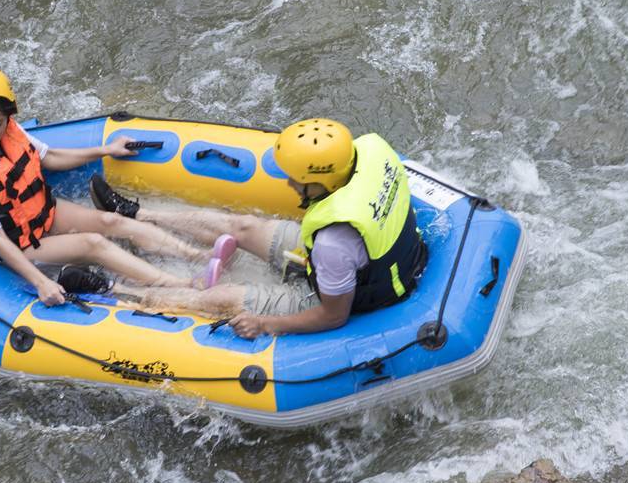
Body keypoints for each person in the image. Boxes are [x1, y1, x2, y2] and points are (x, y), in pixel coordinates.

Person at [0, 68, 235, 307]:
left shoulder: (10, 133)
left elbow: (51, 157)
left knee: (111, 220)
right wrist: (41, 282)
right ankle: (182, 284)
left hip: (41, 215)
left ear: (7, 117)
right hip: (18, 245)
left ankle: (197, 256)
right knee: (93, 244)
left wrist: (106, 150)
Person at [88, 117, 427, 338]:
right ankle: (136, 214)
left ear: (321, 182)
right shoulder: (361, 161)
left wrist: (265, 324)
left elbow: (333, 316)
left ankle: (112, 292)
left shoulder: (333, 243)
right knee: (243, 227)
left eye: (299, 180)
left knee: (222, 299)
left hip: (343, 291)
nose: (291, 184)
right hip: (349, 258)